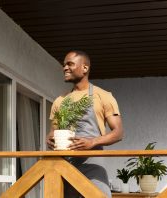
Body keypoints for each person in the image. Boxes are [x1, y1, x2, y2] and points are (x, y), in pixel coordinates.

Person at [46, 50, 123, 198]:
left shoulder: (103, 96)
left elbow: (118, 132)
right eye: (64, 65)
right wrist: (50, 138)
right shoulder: (59, 101)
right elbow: (54, 131)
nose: (65, 68)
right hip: (65, 165)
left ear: (85, 68)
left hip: (92, 164)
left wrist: (92, 142)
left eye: (70, 64)